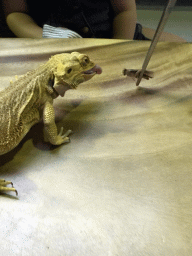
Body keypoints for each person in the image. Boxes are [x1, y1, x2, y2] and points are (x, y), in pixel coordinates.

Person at [2, 0, 186, 42]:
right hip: (44, 42)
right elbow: (16, 13)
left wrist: (117, 48)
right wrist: (44, 35)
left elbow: (124, 11)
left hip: (112, 36)